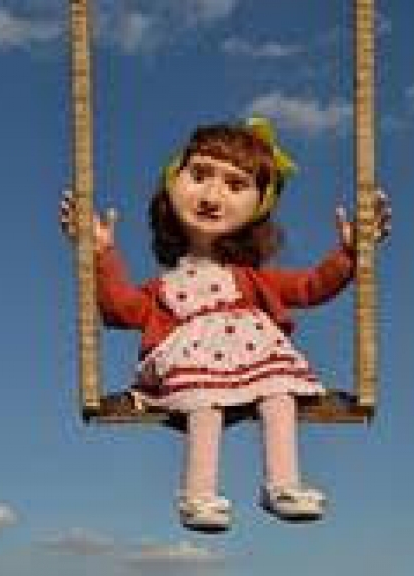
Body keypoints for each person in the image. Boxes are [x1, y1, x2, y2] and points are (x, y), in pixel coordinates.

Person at [59, 117, 391, 532]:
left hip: (256, 358)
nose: (212, 195)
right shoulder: (166, 287)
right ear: (172, 184)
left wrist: (351, 255)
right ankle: (198, 494)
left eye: (235, 185)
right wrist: (100, 255)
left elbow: (311, 286)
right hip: (193, 365)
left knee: (279, 392)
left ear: (258, 206)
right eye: (200, 175)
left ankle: (283, 484)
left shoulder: (250, 280)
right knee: (204, 403)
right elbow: (120, 309)